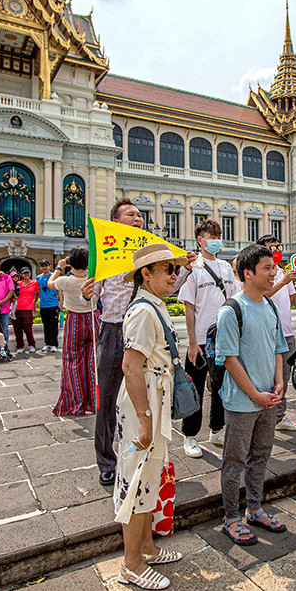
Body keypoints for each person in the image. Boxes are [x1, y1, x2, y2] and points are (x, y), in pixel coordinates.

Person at [81, 199, 195, 487]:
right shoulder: (106, 256)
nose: (138, 219)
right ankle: (107, 460)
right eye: (130, 215)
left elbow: (167, 288)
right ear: (116, 222)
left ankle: (145, 452)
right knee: (107, 399)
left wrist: (183, 269)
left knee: (149, 396)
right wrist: (86, 293)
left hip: (146, 332)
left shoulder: (148, 254)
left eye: (139, 215)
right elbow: (93, 299)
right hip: (114, 331)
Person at [114, 243, 189, 590]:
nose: (175, 275)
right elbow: (131, 366)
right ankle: (130, 563)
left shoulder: (153, 306)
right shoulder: (143, 311)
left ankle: (146, 547)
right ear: (146, 274)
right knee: (136, 480)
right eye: (168, 269)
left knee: (149, 478)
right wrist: (144, 420)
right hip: (143, 402)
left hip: (154, 399)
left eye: (176, 269)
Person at [216, 245, 289, 545]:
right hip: (242, 401)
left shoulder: (270, 307)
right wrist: (255, 394)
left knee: (261, 455)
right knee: (235, 461)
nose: (274, 273)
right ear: (248, 273)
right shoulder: (231, 310)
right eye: (267, 268)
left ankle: (254, 508)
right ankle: (231, 517)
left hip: (268, 399)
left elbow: (278, 349)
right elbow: (229, 360)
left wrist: (279, 383)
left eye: (274, 268)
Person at [178, 219, 236, 458]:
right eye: (210, 236)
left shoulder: (226, 267)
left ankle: (217, 429)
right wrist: (192, 342)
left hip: (223, 338)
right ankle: (190, 436)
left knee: (222, 387)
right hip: (200, 339)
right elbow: (188, 308)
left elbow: (233, 302)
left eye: (218, 235)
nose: (215, 240)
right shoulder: (194, 268)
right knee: (195, 388)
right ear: (200, 240)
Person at [259, 235, 296, 432]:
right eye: (271, 248)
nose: (276, 250)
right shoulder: (264, 274)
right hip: (268, 333)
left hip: (287, 331)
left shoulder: (283, 272)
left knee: (283, 377)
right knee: (267, 376)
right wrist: (283, 281)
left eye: (278, 247)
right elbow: (260, 295)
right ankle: (265, 417)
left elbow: (294, 301)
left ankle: (279, 416)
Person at [53, 248, 98, 417]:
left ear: (71, 263)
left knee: (72, 361)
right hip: (93, 319)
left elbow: (49, 283)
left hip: (74, 321)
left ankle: (75, 403)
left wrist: (59, 267)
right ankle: (94, 401)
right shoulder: (94, 279)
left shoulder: (65, 281)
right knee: (94, 361)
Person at [36, 259, 62, 351]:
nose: (44, 268)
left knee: (53, 325)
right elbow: (37, 291)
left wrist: (61, 303)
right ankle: (47, 343)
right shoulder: (39, 278)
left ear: (49, 266)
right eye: (42, 266)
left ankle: (54, 344)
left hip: (53, 304)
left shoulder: (53, 277)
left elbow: (59, 290)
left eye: (46, 266)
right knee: (46, 325)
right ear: (40, 267)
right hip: (43, 305)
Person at [12, 267, 39, 354]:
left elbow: (38, 293)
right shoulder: (18, 284)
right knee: (17, 328)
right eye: (24, 273)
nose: (26, 275)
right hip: (17, 308)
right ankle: (20, 345)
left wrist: (34, 302)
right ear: (21, 275)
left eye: (28, 273)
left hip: (28, 308)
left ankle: (31, 344)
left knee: (28, 327)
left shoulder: (34, 283)